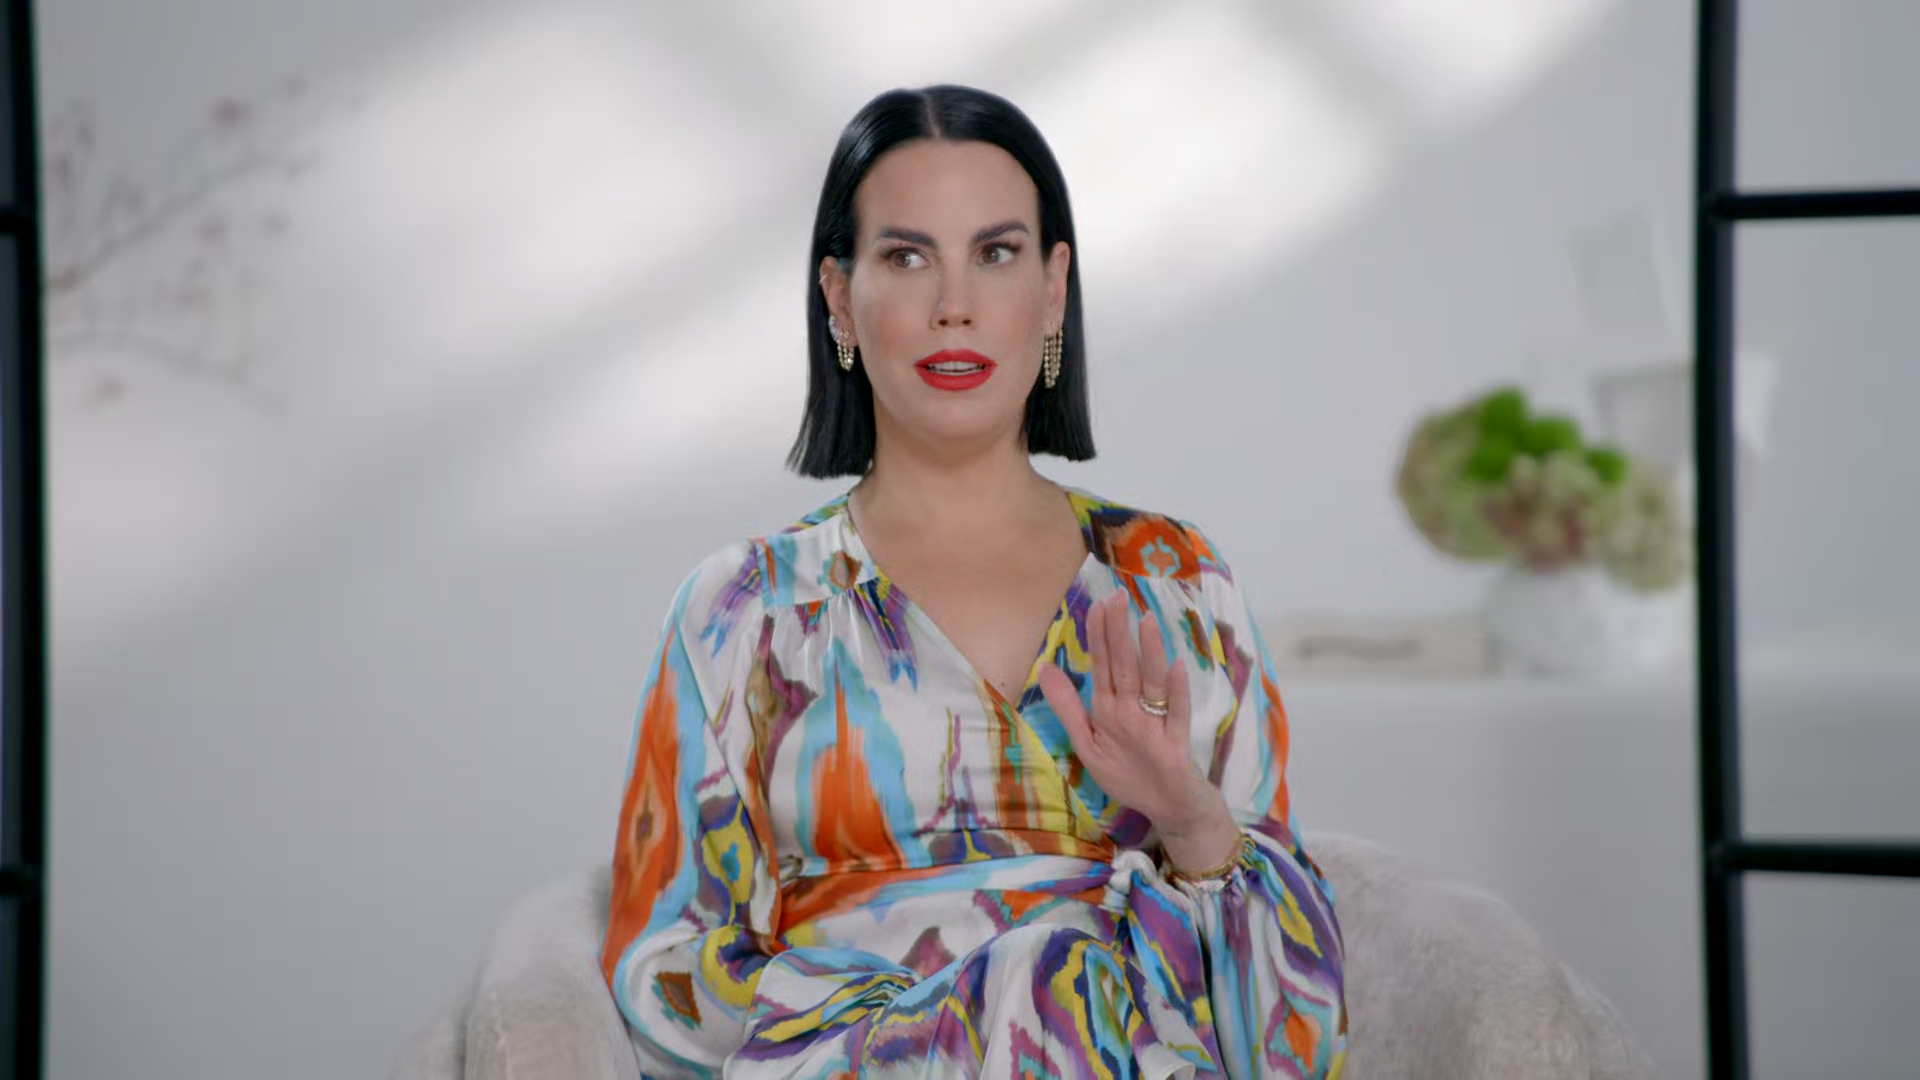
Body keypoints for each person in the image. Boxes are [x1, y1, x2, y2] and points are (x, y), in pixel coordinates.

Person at [599, 84, 1347, 1079]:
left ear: (1053, 288)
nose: (954, 305)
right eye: (908, 258)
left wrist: (1189, 820)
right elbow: (666, 979)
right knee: (1044, 975)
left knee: (1056, 977)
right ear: (839, 298)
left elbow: (1300, 1036)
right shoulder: (748, 610)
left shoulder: (1177, 584)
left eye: (995, 254)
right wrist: (948, 1024)